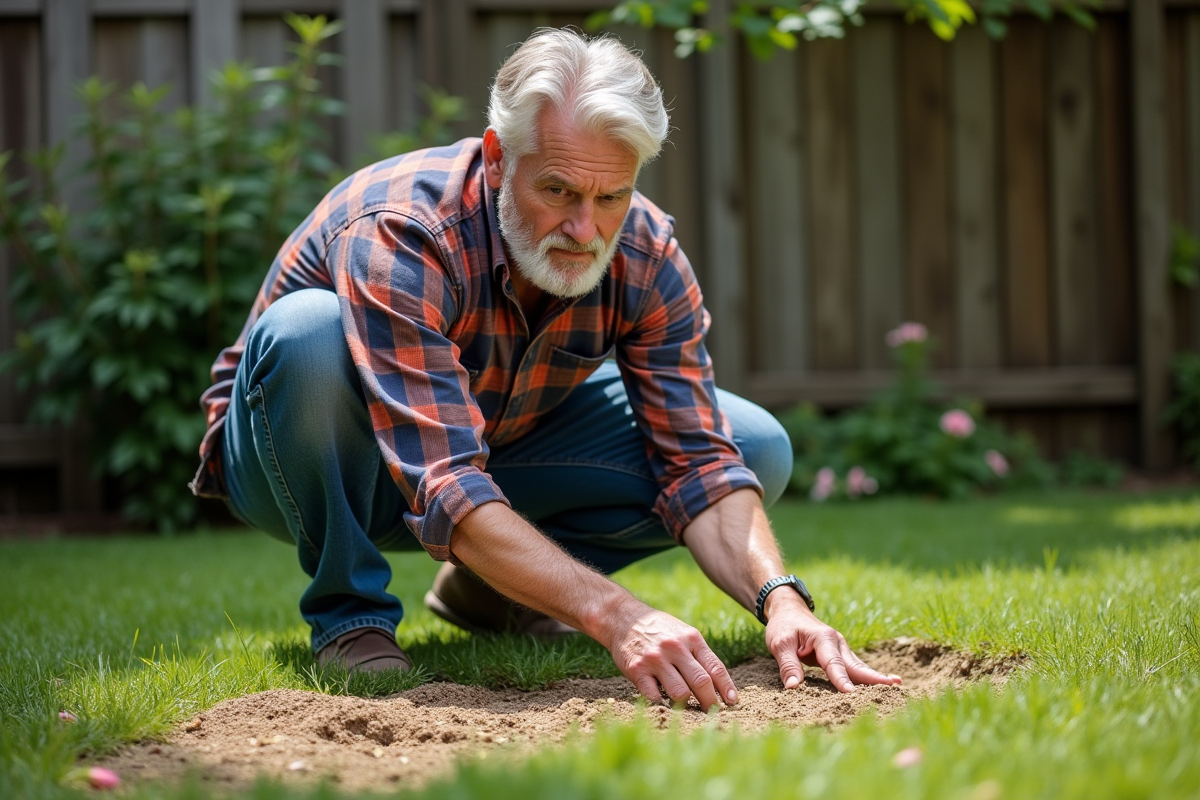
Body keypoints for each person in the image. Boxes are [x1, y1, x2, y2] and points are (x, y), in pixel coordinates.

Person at [191, 28, 901, 708]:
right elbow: (444, 479)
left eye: (610, 196)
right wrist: (618, 614)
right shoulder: (405, 230)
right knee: (308, 333)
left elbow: (702, 466)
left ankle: (494, 594)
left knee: (755, 447)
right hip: (298, 459)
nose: (585, 229)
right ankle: (352, 619)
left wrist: (782, 600)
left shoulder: (646, 255)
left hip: (492, 444)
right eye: (558, 191)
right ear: (499, 158)